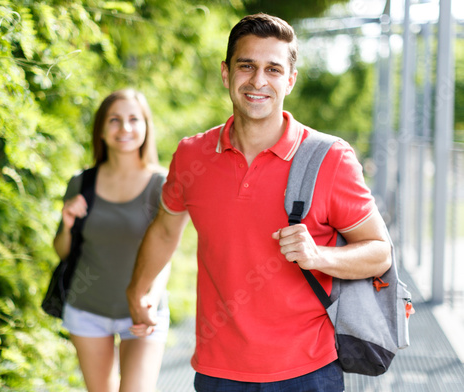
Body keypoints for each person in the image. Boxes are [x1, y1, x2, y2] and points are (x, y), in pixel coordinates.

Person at [127, 13, 392, 392]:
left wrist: (320, 256)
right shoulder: (192, 155)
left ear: (290, 79)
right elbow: (166, 228)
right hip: (218, 371)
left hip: (308, 371)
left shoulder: (331, 157)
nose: (258, 81)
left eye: (273, 69)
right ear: (226, 73)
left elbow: (380, 252)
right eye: (246, 66)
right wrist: (138, 291)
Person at [53, 89, 170, 392]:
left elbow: (166, 252)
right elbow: (64, 252)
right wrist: (67, 225)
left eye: (134, 119)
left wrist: (150, 302)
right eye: (114, 120)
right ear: (102, 130)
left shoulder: (163, 184)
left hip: (143, 310)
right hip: (87, 311)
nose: (125, 128)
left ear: (146, 127)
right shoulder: (82, 182)